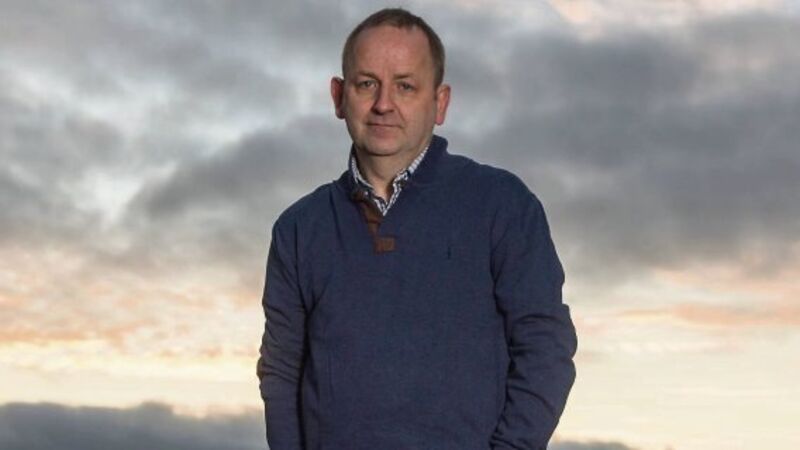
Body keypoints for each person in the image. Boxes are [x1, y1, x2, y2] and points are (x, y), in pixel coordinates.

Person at [257, 7, 577, 450]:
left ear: (440, 103)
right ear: (338, 96)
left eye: (405, 86)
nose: (384, 104)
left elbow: (545, 350)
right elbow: (281, 371)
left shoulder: (503, 205)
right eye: (367, 83)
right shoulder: (298, 229)